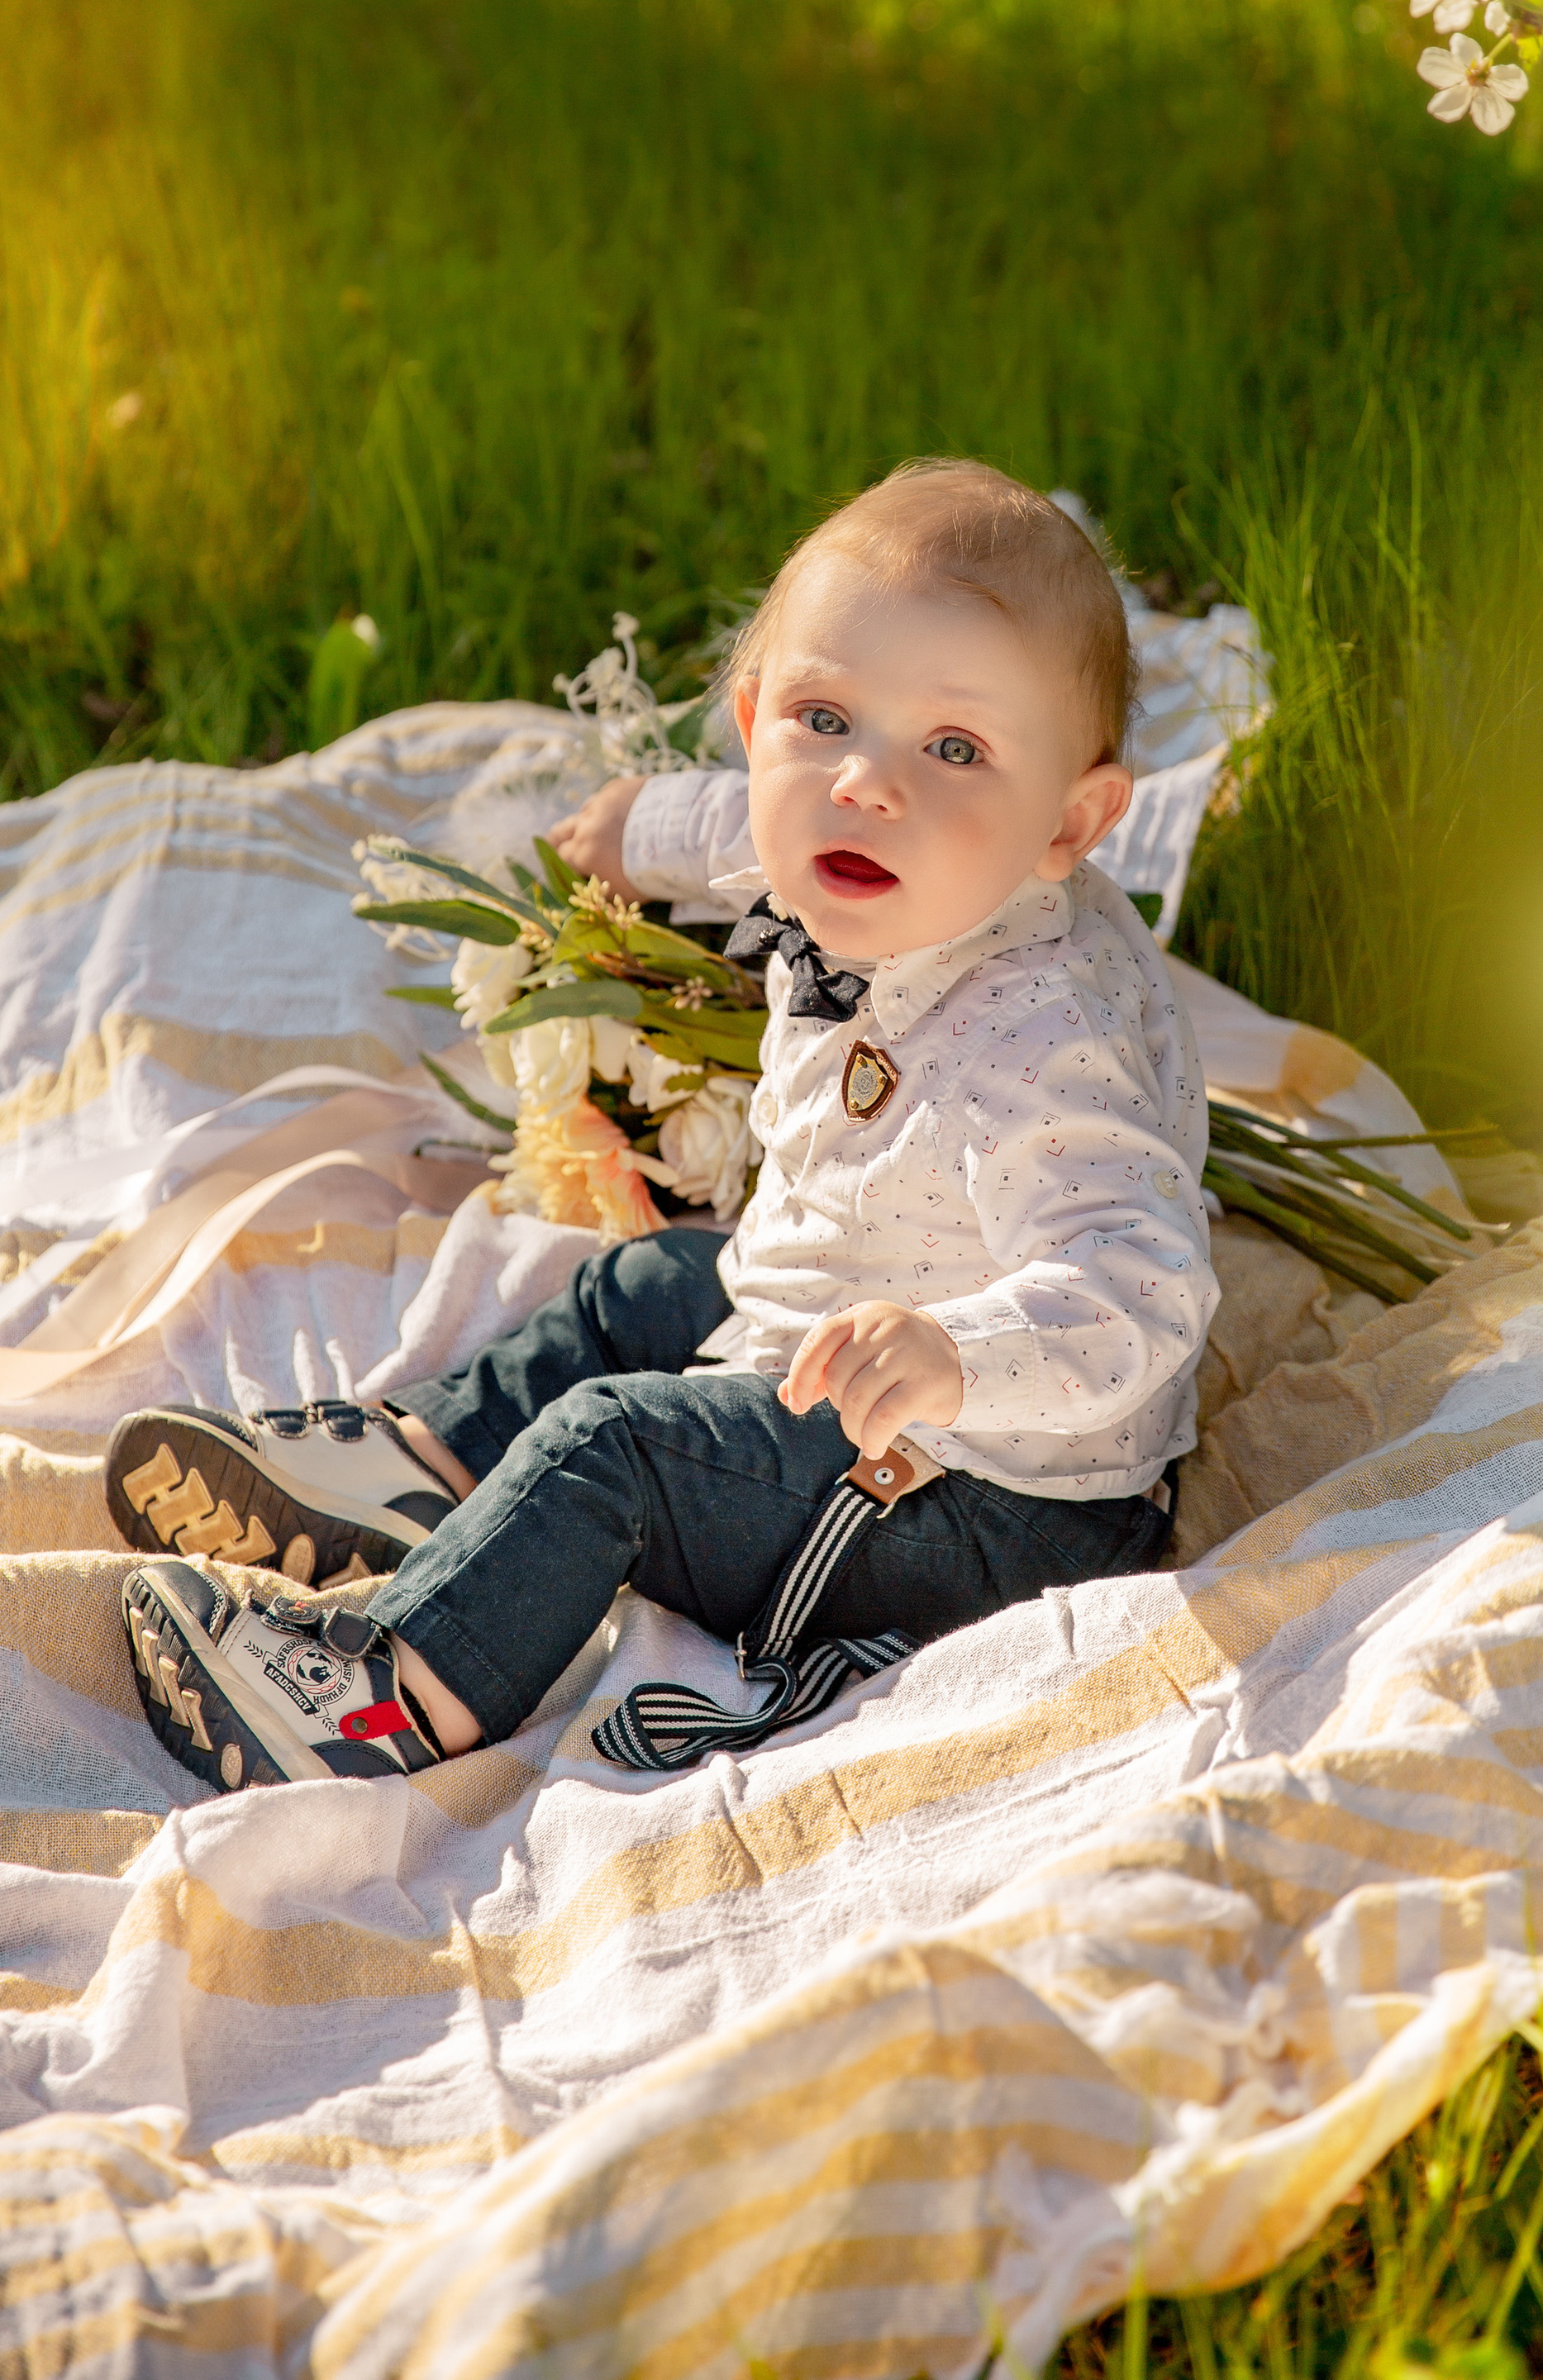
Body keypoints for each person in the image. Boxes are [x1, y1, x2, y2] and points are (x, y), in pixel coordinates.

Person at [114, 462, 1218, 1790]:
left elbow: (1142, 1283)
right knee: (654, 1279)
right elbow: (748, 827)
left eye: (956, 747)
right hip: (858, 1342)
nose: (866, 785)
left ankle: (377, 1698)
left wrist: (955, 1352)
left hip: (981, 1498)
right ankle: (419, 1470)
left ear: (1078, 822)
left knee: (617, 1447)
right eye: (824, 718)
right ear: (759, 724)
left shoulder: (1046, 1041)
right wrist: (636, 828)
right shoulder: (899, 846)